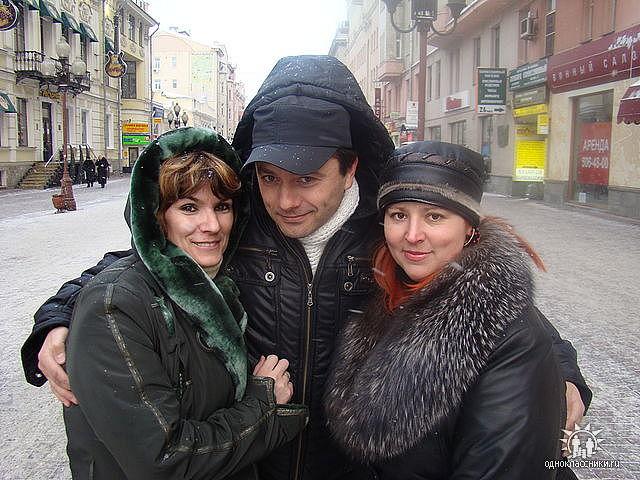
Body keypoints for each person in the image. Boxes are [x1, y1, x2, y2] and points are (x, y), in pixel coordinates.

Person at [21, 56, 591, 480]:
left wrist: (562, 369)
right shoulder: (239, 223)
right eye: (269, 178)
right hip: (254, 461)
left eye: (307, 179)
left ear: (350, 168)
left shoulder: (388, 232)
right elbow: (140, 263)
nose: (286, 200)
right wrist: (58, 317)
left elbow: (488, 300)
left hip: (349, 467)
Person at [63, 126, 308, 479]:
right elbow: (164, 460)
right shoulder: (116, 307)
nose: (212, 225)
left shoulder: (216, 287)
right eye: (189, 207)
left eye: (222, 207)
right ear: (157, 217)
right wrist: (262, 404)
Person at [325, 141, 575, 480]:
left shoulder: (510, 335)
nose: (413, 235)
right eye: (399, 215)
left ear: (469, 227)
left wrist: (568, 377)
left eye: (435, 216)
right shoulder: (383, 292)